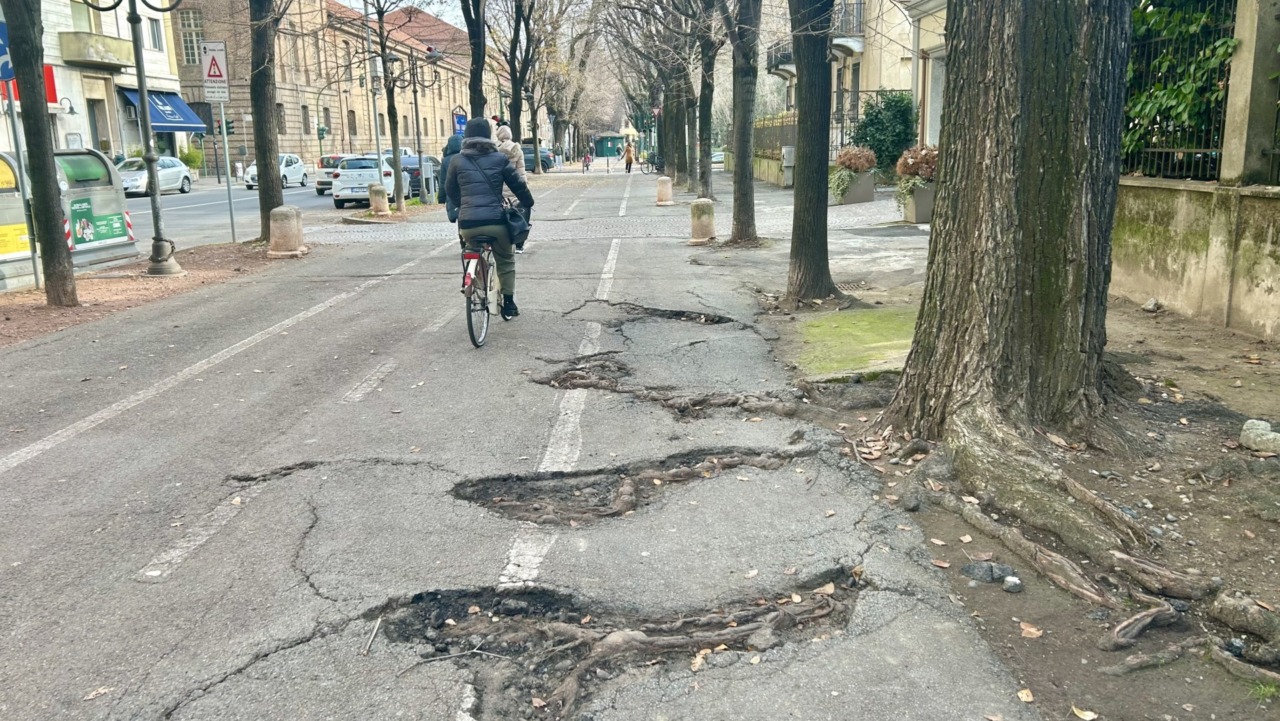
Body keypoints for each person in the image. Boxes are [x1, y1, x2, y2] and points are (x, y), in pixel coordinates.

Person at [446, 118, 535, 320]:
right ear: (489, 136)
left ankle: (470, 279)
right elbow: (518, 184)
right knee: (506, 259)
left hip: (468, 223)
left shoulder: (456, 161)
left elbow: (450, 191)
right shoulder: (499, 159)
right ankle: (509, 303)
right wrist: (527, 202)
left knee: (471, 251)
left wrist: (463, 206)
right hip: (496, 222)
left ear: (466, 136)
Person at [494, 124, 529, 253]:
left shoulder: (494, 150)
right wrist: (524, 187)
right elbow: (521, 172)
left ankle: (502, 241)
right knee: (518, 214)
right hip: (514, 188)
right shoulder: (517, 150)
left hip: (499, 188)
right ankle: (519, 244)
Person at [437, 134, 463, 220]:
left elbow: (443, 181)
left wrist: (441, 198)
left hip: (452, 195)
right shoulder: (465, 157)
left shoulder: (445, 160)